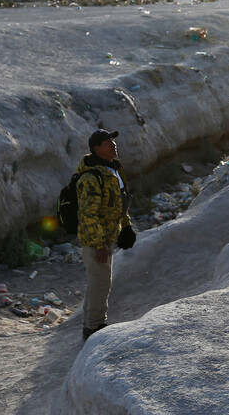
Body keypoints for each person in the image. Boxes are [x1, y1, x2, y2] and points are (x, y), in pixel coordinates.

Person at [75, 128, 137, 340]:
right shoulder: (91, 177)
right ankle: (94, 328)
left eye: (113, 140)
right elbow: (88, 213)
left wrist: (126, 227)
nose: (113, 144)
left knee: (97, 282)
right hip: (96, 240)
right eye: (107, 142)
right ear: (96, 149)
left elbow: (121, 202)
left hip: (109, 236)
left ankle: (89, 324)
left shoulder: (114, 169)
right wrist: (99, 244)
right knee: (101, 283)